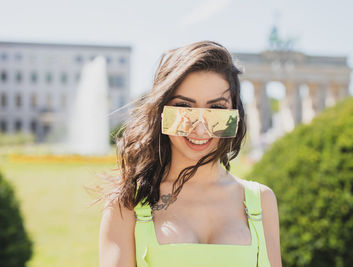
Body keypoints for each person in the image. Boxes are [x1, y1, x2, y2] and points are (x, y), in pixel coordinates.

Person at [98, 41, 282, 267]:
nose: (200, 128)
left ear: (235, 114)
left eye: (216, 109)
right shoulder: (127, 204)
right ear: (161, 111)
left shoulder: (261, 201)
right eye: (185, 106)